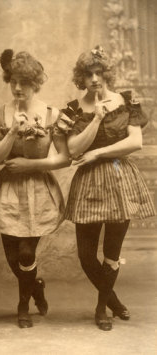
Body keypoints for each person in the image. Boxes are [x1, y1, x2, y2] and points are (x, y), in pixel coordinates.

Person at [63, 45, 156, 331]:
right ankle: (114, 300)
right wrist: (98, 118)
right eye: (88, 74)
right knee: (86, 255)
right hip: (89, 183)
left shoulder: (126, 101)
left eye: (99, 72)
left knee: (112, 252)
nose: (94, 79)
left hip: (118, 178)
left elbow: (134, 143)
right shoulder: (75, 109)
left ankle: (102, 307)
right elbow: (73, 149)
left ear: (107, 74)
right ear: (82, 78)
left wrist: (99, 153)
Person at [0, 49, 71, 328]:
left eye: (24, 82)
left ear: (36, 83)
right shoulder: (0, 114)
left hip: (39, 190)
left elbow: (64, 157)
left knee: (26, 253)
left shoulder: (51, 114)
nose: (17, 87)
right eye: (12, 81)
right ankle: (36, 287)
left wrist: (31, 165)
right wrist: (11, 132)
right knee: (13, 257)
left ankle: (23, 304)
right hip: (8, 192)